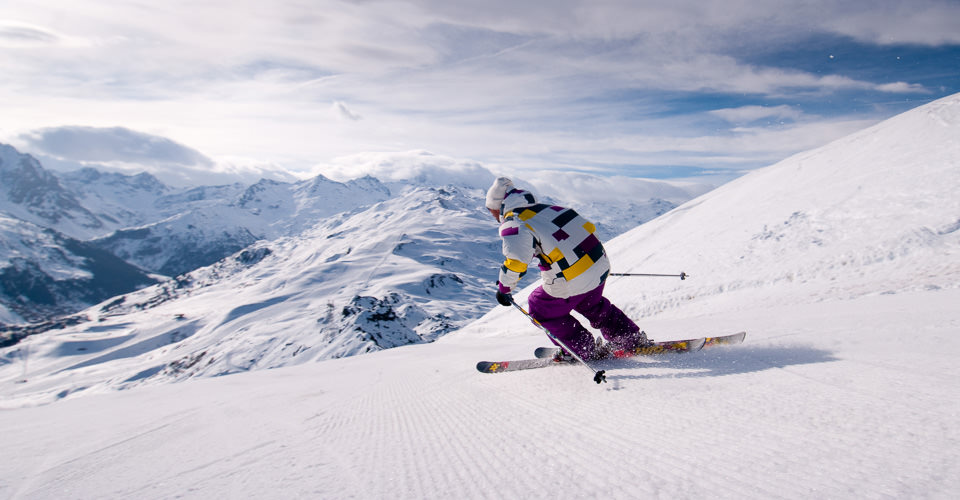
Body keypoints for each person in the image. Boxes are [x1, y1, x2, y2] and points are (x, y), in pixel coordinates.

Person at [485, 177, 650, 360]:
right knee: (590, 303)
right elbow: (588, 229)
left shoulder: (514, 222)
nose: (492, 215)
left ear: (499, 206)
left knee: (540, 307)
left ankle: (582, 348)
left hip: (572, 277)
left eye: (490, 209)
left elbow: (516, 261)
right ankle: (628, 337)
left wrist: (504, 288)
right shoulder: (552, 209)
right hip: (599, 265)